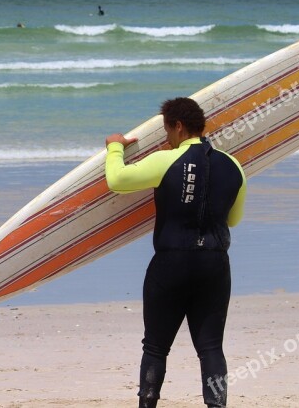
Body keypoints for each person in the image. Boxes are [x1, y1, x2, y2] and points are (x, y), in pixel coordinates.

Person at [104, 97, 247, 408]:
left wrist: (114, 146)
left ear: (178, 126)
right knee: (210, 347)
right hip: (215, 264)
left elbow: (116, 179)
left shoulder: (164, 161)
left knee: (155, 346)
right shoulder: (233, 165)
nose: (166, 137)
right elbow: (232, 219)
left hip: (171, 263)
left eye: (167, 129)